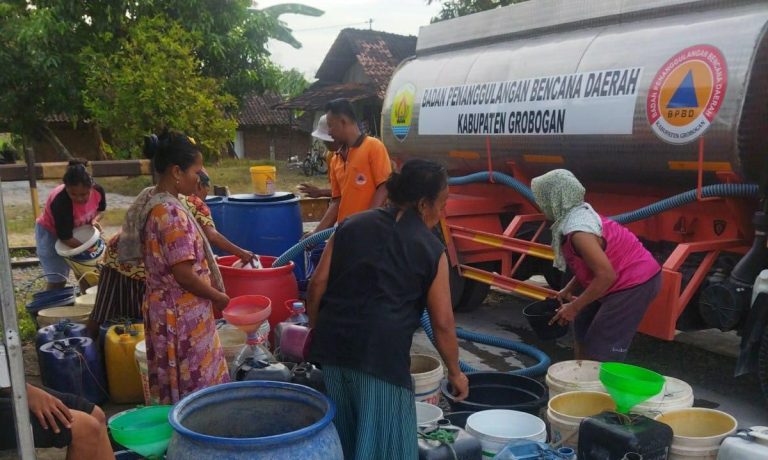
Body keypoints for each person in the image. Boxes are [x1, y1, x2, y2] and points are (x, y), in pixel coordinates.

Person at [307, 159, 469, 459]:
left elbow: (317, 285)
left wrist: (319, 330)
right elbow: (443, 323)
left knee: (344, 438)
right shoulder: (432, 250)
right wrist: (456, 373)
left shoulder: (351, 225)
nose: (442, 211)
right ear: (423, 204)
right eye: (442, 203)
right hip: (381, 359)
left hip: (333, 349)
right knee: (387, 447)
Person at [118, 131, 230, 404]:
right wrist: (218, 296)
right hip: (181, 315)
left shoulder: (155, 201)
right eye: (197, 170)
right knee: (196, 386)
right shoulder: (171, 214)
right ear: (176, 171)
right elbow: (184, 275)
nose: (200, 177)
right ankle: (196, 435)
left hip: (166, 310)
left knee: (176, 384)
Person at [86, 168, 253, 336]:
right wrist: (241, 253)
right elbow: (211, 236)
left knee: (103, 312)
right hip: (143, 267)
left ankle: (89, 351)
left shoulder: (156, 193)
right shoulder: (192, 203)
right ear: (199, 185)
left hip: (119, 254)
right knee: (137, 325)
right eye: (206, 190)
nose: (206, 195)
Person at [531, 169, 661, 362]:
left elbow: (606, 275)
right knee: (582, 324)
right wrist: (569, 289)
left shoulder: (579, 232)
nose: (540, 203)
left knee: (601, 346)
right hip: (616, 279)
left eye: (543, 198)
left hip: (634, 284)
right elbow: (590, 264)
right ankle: (580, 377)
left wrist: (574, 306)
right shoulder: (574, 214)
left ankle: (599, 387)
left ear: (555, 199)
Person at [304, 99, 392, 238]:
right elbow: (336, 202)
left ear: (343, 121)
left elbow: (384, 187)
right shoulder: (335, 159)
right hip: (346, 233)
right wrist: (316, 234)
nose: (329, 132)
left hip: (372, 234)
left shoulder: (373, 147)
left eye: (331, 126)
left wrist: (366, 223)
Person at [35, 159, 106, 290]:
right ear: (66, 188)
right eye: (73, 194)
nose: (79, 198)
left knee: (86, 274)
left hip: (78, 231)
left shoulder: (98, 191)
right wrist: (87, 250)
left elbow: (101, 210)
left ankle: (88, 306)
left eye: (84, 194)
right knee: (58, 279)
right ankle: (49, 307)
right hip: (53, 234)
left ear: (91, 187)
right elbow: (65, 237)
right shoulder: (61, 202)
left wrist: (95, 220)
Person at [0, 383, 113, 459]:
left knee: (96, 414)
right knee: (84, 427)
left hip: (6, 379)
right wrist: (23, 390)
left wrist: (22, 387)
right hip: (8, 380)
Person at [298, 114, 340, 199]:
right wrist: (321, 192)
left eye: (326, 139)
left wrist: (321, 192)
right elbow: (337, 191)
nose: (324, 142)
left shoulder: (358, 154)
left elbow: (350, 191)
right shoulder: (331, 156)